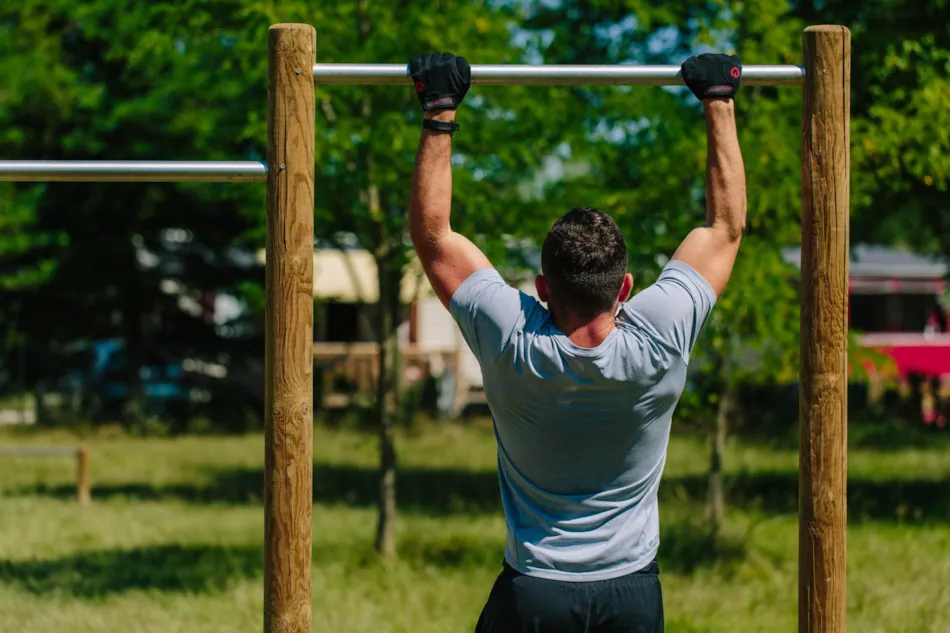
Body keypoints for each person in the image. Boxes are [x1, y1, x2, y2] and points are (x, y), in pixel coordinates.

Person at [407, 51, 746, 633]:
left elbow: (433, 238)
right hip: (633, 594)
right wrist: (720, 98)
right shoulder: (659, 338)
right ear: (628, 288)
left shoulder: (510, 335)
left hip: (536, 592)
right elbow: (725, 227)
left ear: (541, 288)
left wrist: (440, 112)